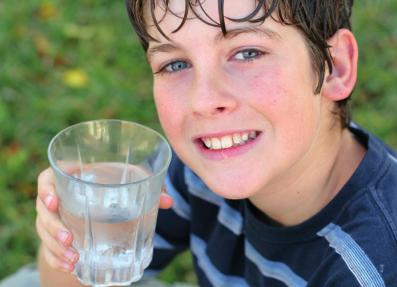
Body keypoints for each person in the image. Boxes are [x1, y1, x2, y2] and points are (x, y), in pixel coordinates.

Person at [5, 0, 397, 286]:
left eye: (247, 52)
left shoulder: (372, 266)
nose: (204, 102)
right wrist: (71, 229)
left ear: (335, 67)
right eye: (175, 64)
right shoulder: (200, 170)